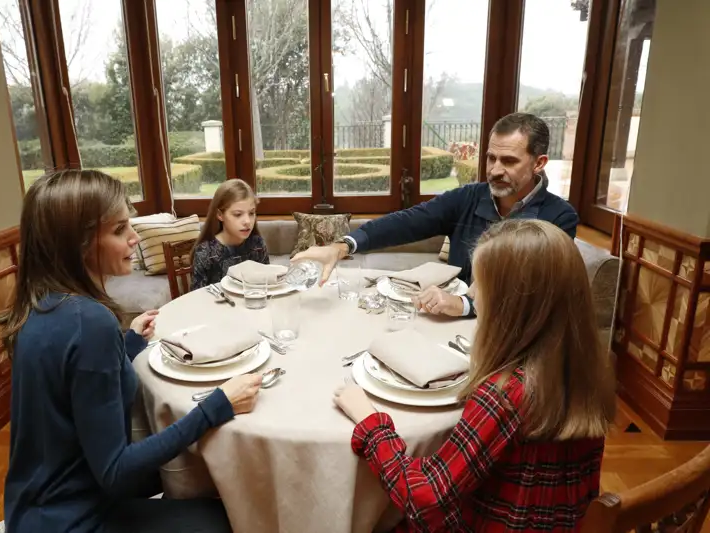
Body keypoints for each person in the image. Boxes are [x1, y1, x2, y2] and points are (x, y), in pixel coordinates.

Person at [0, 170, 262, 533]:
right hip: (75, 518)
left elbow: (77, 383)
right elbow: (116, 470)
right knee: (232, 515)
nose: (135, 238)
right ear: (79, 242)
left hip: (33, 509)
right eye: (120, 229)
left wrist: (127, 345)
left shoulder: (43, 303)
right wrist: (217, 406)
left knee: (195, 479)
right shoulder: (90, 322)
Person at [332, 219, 615, 532]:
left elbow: (423, 497)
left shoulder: (505, 395)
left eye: (481, 285)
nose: (471, 293)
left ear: (510, 307)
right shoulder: (587, 368)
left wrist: (371, 424)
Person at [292, 112, 579, 318]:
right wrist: (342, 246)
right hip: (445, 322)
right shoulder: (467, 197)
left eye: (509, 161)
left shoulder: (559, 219)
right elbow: (407, 221)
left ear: (539, 163)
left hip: (506, 339)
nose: (494, 170)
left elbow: (528, 293)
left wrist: (465, 305)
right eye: (491, 158)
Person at [191, 179, 269, 290]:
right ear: (220, 215)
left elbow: (268, 285)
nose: (247, 221)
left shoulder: (257, 245)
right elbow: (196, 298)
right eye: (238, 214)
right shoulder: (205, 252)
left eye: (251, 213)